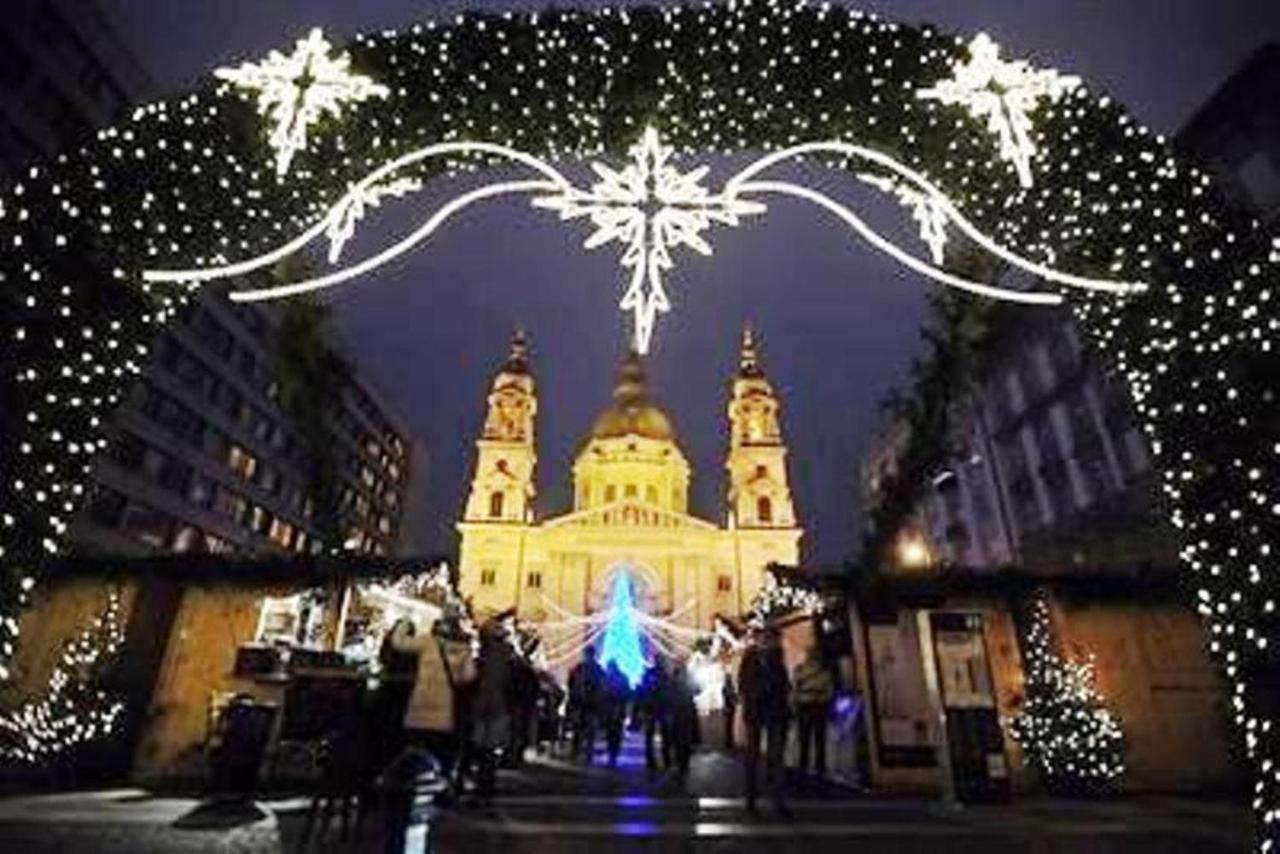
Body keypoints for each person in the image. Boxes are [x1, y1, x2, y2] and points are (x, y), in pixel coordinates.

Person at [387, 610, 476, 786]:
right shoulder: (464, 649)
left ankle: (414, 784)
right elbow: (469, 677)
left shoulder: (428, 642)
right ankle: (438, 785)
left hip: (420, 706)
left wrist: (406, 621)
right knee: (440, 751)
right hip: (444, 711)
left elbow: (399, 643)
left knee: (416, 750)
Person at [738, 625, 792, 816]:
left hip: (775, 713)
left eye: (773, 640)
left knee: (776, 757)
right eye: (768, 639)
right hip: (755, 712)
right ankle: (751, 798)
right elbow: (743, 685)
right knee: (752, 756)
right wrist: (755, 696)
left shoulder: (778, 658)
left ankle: (779, 801)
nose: (771, 643)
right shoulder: (750, 658)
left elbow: (784, 684)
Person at [470, 613, 517, 805]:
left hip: (488, 709)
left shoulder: (491, 656)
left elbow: (487, 685)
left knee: (484, 751)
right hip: (499, 708)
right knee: (488, 752)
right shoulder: (507, 656)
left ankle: (483, 791)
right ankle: (486, 790)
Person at [792, 644, 835, 785]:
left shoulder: (800, 670)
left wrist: (796, 703)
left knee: (805, 740)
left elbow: (795, 690)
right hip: (818, 706)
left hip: (805, 706)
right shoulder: (824, 672)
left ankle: (803, 771)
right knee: (819, 740)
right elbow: (829, 691)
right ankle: (819, 771)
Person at [568, 645, 604, 762]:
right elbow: (602, 687)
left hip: (581, 703)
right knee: (589, 731)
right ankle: (588, 752)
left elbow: (571, 685)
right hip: (592, 704)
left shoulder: (579, 668)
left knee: (578, 729)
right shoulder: (598, 669)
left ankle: (576, 752)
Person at [637, 656, 673, 772]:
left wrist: (642, 708)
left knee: (652, 736)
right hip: (659, 709)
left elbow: (642, 691)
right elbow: (668, 693)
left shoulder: (650, 674)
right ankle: (665, 760)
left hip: (652, 709)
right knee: (664, 736)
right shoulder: (666, 675)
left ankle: (652, 760)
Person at [668, 659, 699, 781]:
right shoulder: (677, 680)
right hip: (682, 712)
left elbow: (697, 690)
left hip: (682, 713)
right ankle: (682, 763)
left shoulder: (675, 680)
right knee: (681, 739)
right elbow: (697, 690)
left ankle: (682, 763)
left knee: (682, 739)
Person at [601, 660, 630, 767]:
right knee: (615, 733)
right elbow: (627, 694)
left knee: (611, 732)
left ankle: (612, 754)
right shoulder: (623, 677)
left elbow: (603, 693)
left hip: (611, 709)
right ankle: (614, 753)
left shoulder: (607, 679)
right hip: (618, 709)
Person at [721, 671, 739, 750]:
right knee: (729, 725)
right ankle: (729, 742)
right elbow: (731, 697)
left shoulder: (726, 687)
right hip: (729, 708)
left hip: (728, 707)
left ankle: (728, 742)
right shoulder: (728, 688)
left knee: (729, 725)